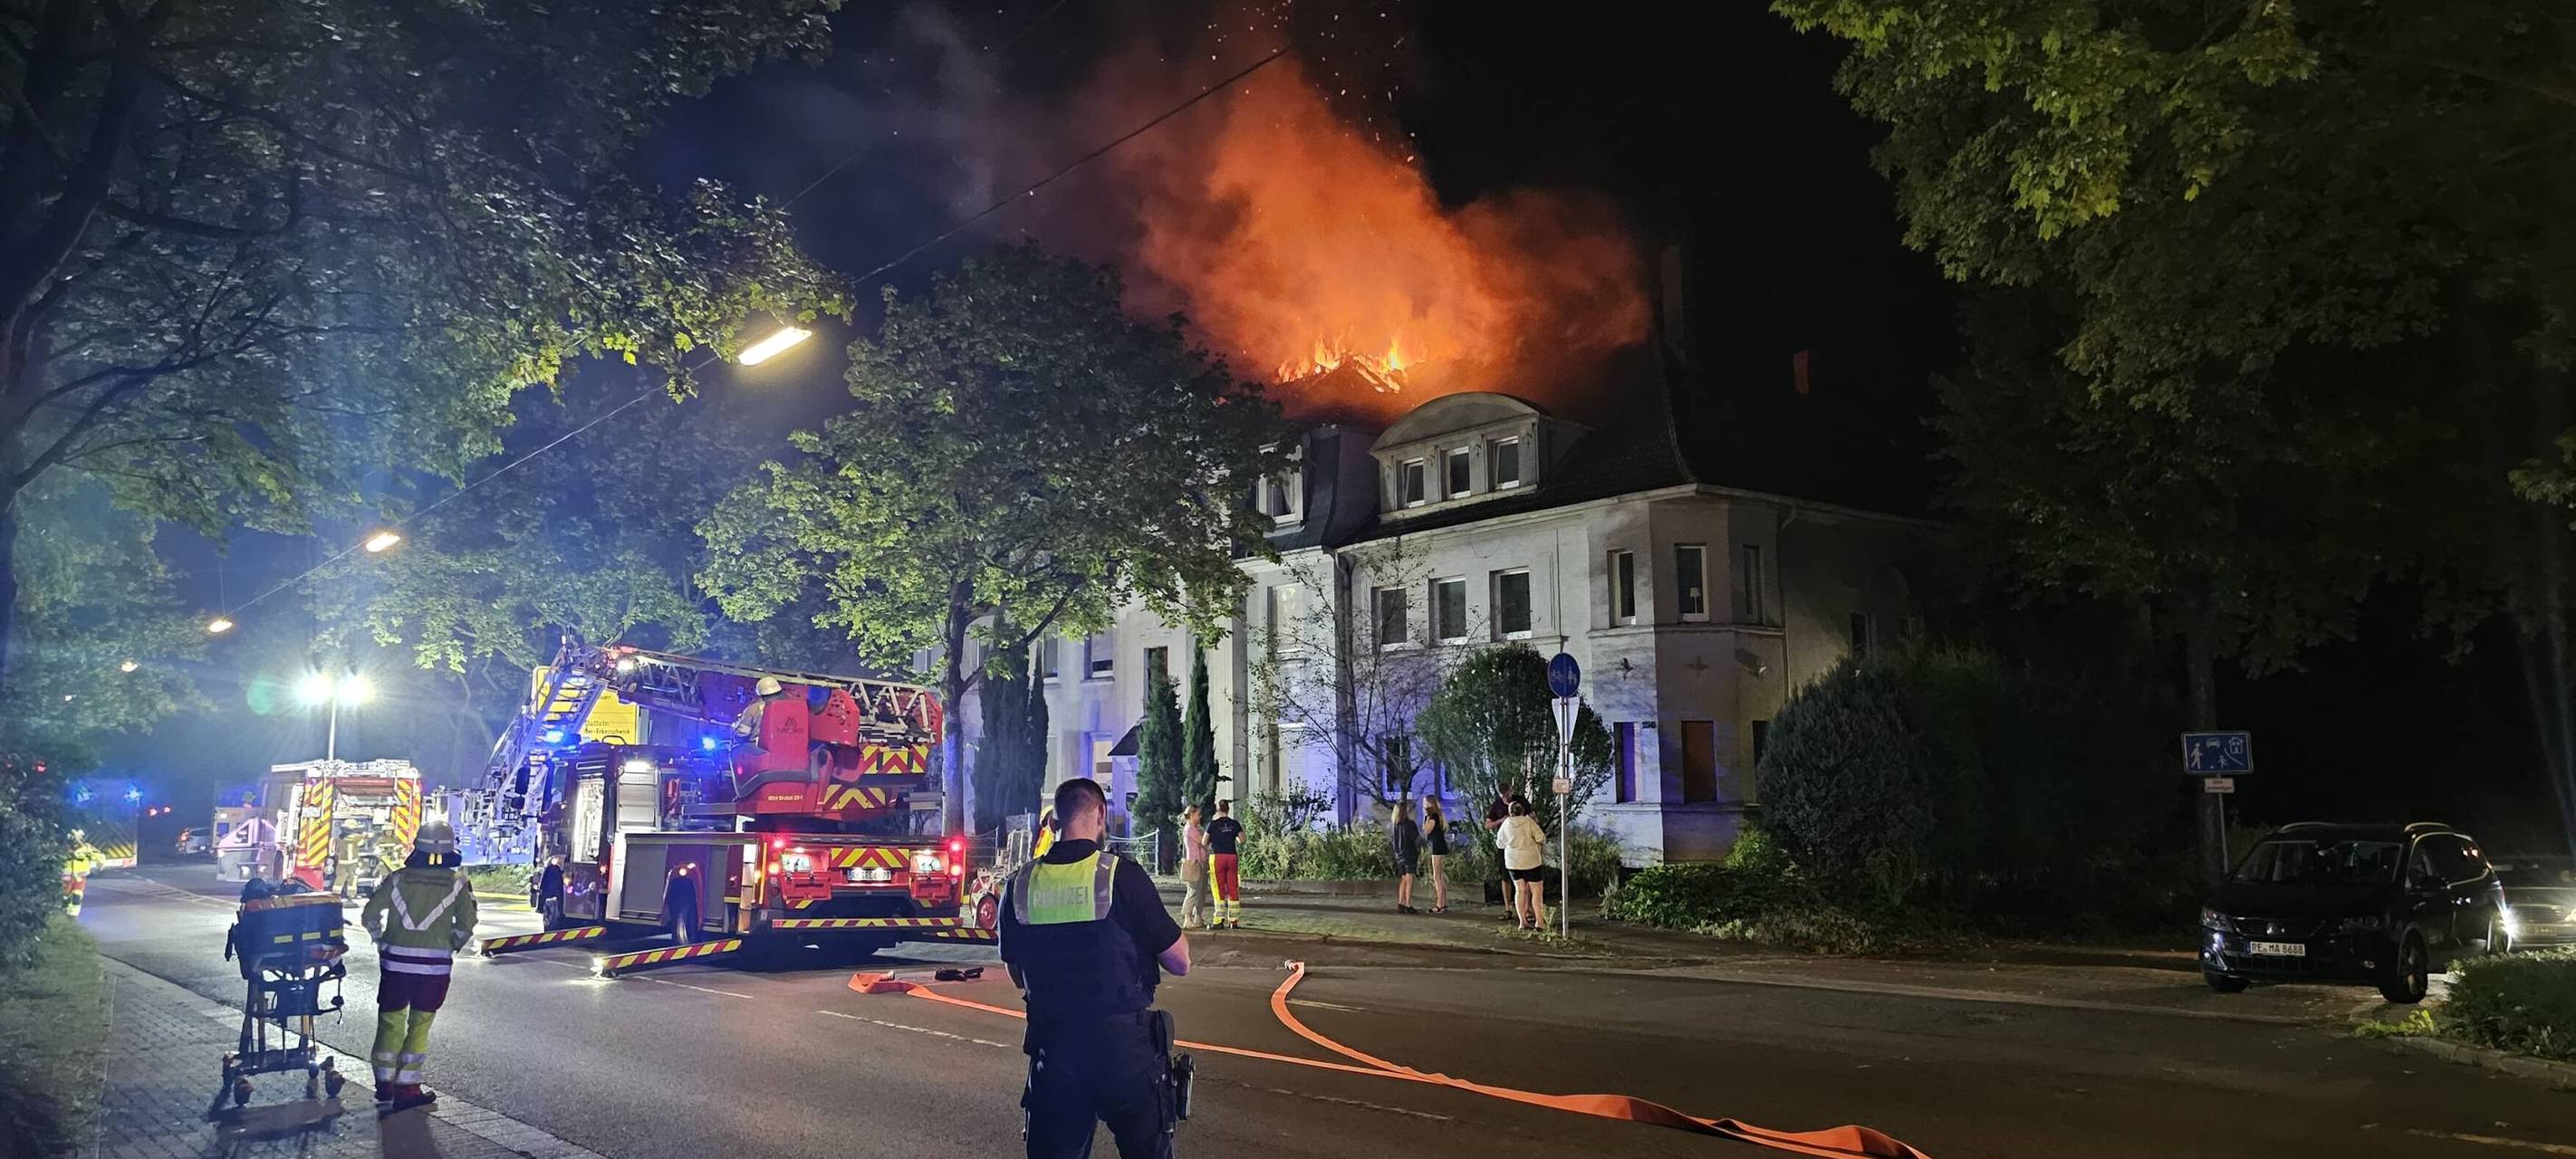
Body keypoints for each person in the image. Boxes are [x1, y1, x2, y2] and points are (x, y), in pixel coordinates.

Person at [999, 777, 1190, 1159]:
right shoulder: (1121, 876)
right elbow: (1180, 960)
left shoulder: (1020, 884)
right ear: (1100, 814)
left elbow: (1016, 971)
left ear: (1055, 820)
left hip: (1055, 1053)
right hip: (1124, 1054)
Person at [360, 819, 477, 1111]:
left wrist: (381, 941)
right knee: (420, 1025)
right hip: (434, 969)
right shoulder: (458, 883)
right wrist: (450, 944)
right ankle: (408, 1087)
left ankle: (384, 1084)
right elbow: (467, 924)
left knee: (390, 1020)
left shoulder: (398, 879)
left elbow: (370, 914)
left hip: (395, 965)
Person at [1496, 799, 1547, 931]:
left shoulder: (1506, 824)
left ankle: (1522, 922)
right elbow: (1541, 837)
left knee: (1520, 891)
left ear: (1510, 812)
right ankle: (1539, 922)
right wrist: (1536, 846)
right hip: (1531, 860)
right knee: (1536, 891)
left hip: (1513, 862)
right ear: (1522, 811)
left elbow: (1500, 843)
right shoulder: (1528, 822)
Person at [1204, 799, 1244, 929]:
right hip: (1232, 857)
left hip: (1217, 858)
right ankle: (1234, 920)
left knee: (1218, 889)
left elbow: (1204, 842)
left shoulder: (1212, 824)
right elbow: (1242, 840)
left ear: (1218, 810)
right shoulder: (1235, 823)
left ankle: (1218, 920)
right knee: (1233, 887)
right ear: (1228, 809)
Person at [731, 675, 789, 751]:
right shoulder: (790, 707)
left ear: (760, 694)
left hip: (759, 750)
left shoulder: (753, 709)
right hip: (785, 748)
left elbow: (741, 734)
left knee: (736, 752)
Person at [1177, 805, 1210, 930]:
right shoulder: (1190, 828)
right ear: (1192, 814)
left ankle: (1198, 917)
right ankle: (1188, 918)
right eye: (1198, 814)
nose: (1200, 816)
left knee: (1201, 892)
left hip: (1200, 863)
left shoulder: (1195, 828)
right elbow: (1203, 842)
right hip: (1194, 864)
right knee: (1193, 892)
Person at [1389, 800, 1421, 915]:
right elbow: (1417, 838)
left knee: (1403, 879)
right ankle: (1408, 904)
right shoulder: (1410, 824)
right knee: (1409, 880)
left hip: (1399, 856)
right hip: (1409, 854)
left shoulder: (1395, 826)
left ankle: (1400, 903)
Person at [1422, 798, 1450, 914]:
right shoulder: (1438, 815)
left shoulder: (1433, 816)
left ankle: (1439, 904)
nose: (1423, 805)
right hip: (1439, 845)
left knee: (1437, 877)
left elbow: (1427, 831)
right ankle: (1443, 903)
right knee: (1440, 876)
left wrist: (1426, 817)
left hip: (1436, 847)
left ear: (1429, 803)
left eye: (1425, 802)